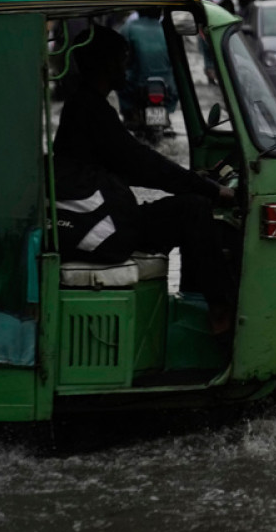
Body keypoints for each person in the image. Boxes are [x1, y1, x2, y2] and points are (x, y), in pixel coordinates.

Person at [53, 25, 238, 336]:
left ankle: (201, 304)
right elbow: (143, 164)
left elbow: (132, 162)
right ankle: (222, 312)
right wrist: (210, 189)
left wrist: (195, 180)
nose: (127, 67)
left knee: (186, 207)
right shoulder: (90, 110)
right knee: (191, 210)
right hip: (101, 226)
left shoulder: (86, 107)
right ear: (107, 64)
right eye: (123, 60)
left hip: (100, 217)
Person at [119, 9, 178, 123]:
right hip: (168, 87)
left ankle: (130, 117)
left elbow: (122, 58)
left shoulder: (128, 28)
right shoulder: (169, 29)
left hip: (137, 85)